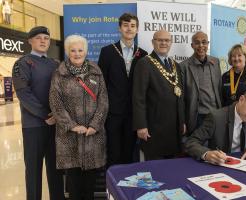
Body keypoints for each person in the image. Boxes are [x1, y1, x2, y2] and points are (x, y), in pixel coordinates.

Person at [49, 35, 108, 200]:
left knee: (90, 186)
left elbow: (103, 101)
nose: (77, 53)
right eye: (73, 50)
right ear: (67, 52)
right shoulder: (59, 74)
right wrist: (73, 126)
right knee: (73, 184)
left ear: (86, 51)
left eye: (80, 50)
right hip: (69, 138)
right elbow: (55, 103)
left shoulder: (96, 72)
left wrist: (95, 125)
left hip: (92, 137)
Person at [12, 26, 64, 200]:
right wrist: (46, 115)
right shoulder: (22, 63)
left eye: (46, 38)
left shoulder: (56, 64)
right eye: (39, 38)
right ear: (30, 41)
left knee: (56, 169)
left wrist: (58, 115)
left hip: (56, 125)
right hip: (34, 125)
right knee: (33, 169)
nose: (43, 41)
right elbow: (23, 93)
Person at [98, 13, 147, 166]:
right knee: (113, 154)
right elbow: (101, 84)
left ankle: (125, 189)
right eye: (125, 25)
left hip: (133, 115)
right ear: (119, 28)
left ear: (137, 30)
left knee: (129, 154)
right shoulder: (107, 52)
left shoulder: (143, 55)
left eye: (132, 26)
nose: (129, 29)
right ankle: (111, 188)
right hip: (112, 114)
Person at [185, 87, 246, 165]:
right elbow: (191, 142)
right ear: (241, 99)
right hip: (221, 166)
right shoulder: (216, 117)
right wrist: (207, 154)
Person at [133, 29, 185, 160]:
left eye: (167, 40)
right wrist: (141, 126)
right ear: (153, 42)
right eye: (159, 40)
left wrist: (182, 121)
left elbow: (180, 96)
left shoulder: (175, 65)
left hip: (174, 128)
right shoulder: (144, 63)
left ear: (171, 43)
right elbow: (138, 97)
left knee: (172, 170)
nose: (163, 43)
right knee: (155, 172)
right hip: (154, 128)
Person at [180, 31, 222, 134]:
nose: (201, 46)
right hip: (196, 117)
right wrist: (182, 121)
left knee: (215, 146)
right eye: (197, 42)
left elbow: (219, 88)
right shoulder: (183, 66)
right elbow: (182, 97)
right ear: (192, 45)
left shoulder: (215, 62)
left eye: (204, 42)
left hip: (215, 114)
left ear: (208, 44)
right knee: (198, 147)